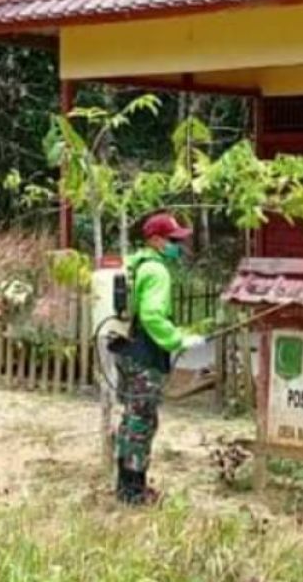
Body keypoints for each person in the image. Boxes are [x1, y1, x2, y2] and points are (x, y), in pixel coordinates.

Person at [110, 212, 206, 505]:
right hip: (145, 354)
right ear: (155, 240)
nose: (178, 245)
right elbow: (151, 314)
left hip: (125, 349)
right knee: (142, 422)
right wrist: (178, 339)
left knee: (130, 419)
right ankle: (134, 493)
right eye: (173, 240)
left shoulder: (134, 263)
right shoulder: (156, 271)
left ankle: (126, 486)